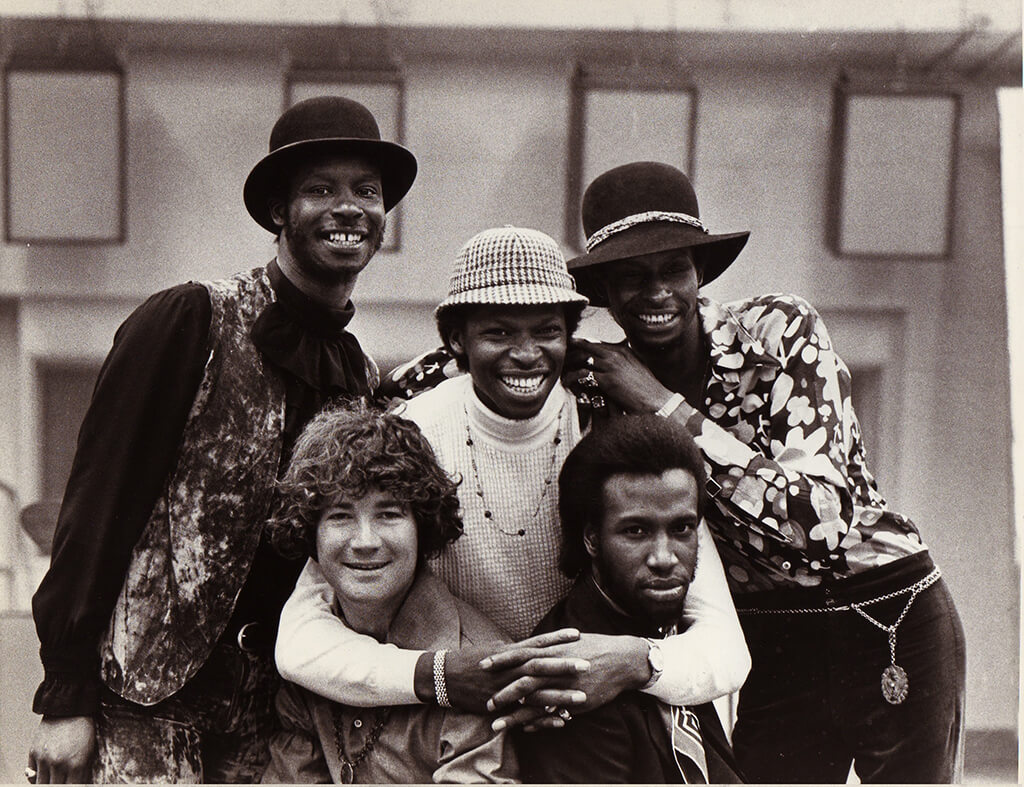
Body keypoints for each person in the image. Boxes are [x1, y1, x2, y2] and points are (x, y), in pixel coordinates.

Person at [26, 95, 417, 784]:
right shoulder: (192, 318)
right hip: (145, 698)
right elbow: (97, 504)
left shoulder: (357, 372)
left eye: (366, 191)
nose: (348, 207)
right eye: (320, 189)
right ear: (277, 212)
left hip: (267, 713)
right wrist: (65, 694)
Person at [563, 160, 966, 783]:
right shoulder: (604, 384)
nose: (657, 292)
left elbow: (817, 521)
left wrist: (662, 405)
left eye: (674, 269)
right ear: (607, 294)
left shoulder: (777, 329)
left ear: (700, 272)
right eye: (631, 277)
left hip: (884, 611)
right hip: (770, 635)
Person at [273, 226, 749, 733]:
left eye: (547, 330)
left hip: (598, 725)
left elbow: (726, 649)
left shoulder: (614, 434)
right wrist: (439, 676)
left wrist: (636, 663)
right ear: (457, 338)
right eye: (499, 332)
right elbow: (300, 642)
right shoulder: (409, 436)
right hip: (461, 729)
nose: (527, 354)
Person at [261, 403, 517, 783]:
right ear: (310, 533)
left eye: (389, 514)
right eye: (340, 516)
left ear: (423, 527)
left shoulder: (478, 669)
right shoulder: (310, 658)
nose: (365, 541)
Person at [517, 414, 743, 784]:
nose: (664, 557)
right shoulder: (574, 674)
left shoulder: (667, 632)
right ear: (591, 538)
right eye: (636, 531)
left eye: (681, 528)